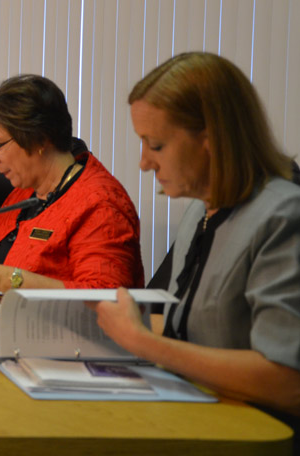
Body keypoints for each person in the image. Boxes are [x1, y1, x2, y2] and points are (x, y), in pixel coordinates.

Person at [86, 53, 300, 428]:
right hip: (187, 414)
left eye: (155, 145)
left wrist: (145, 344)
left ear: (212, 138)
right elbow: (182, 330)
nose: (143, 163)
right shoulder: (199, 213)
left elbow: (287, 381)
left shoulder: (283, 217)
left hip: (253, 433)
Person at [0, 74, 144, 299]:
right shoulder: (24, 192)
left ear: (40, 138)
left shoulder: (100, 204)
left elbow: (107, 298)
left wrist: (8, 279)